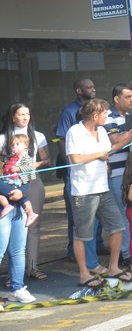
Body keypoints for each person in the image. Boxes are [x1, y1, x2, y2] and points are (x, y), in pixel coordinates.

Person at [66, 98, 132, 289]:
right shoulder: (75, 131)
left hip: (102, 187)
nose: (107, 116)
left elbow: (109, 150)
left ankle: (113, 267)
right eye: (104, 113)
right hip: (83, 191)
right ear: (95, 115)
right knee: (82, 234)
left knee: (118, 226)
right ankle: (84, 274)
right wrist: (98, 155)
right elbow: (75, 158)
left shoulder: (102, 130)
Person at [1, 103, 51, 281]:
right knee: (11, 225)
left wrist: (29, 166)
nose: (25, 117)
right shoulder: (2, 138)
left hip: (32, 181)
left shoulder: (38, 136)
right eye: (21, 114)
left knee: (33, 225)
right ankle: (13, 273)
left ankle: (32, 267)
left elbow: (46, 160)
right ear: (13, 116)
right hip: (10, 183)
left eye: (27, 114)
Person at [55, 78, 98, 262]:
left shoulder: (96, 110)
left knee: (97, 210)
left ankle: (98, 244)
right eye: (89, 87)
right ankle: (74, 250)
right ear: (79, 90)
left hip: (95, 170)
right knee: (76, 212)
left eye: (93, 86)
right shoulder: (68, 112)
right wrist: (71, 167)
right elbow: (62, 141)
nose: (93, 89)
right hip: (76, 170)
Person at [104, 84, 132, 270]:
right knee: (122, 213)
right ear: (116, 99)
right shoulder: (108, 117)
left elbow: (130, 138)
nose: (131, 100)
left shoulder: (129, 118)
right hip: (117, 171)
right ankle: (127, 254)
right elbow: (115, 142)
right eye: (128, 97)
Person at [0, 175, 34, 304]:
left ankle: (17, 289)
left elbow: (27, 175)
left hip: (18, 207)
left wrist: (22, 193)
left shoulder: (18, 156)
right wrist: (22, 196)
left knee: (18, 250)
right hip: (4, 209)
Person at [0, 135, 39, 226]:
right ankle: (8, 206)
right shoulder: (12, 158)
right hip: (9, 181)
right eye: (12, 145)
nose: (14, 147)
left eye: (17, 144)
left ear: (26, 145)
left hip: (16, 182)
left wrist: (18, 169)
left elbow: (31, 169)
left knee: (20, 195)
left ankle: (30, 213)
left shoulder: (25, 158)